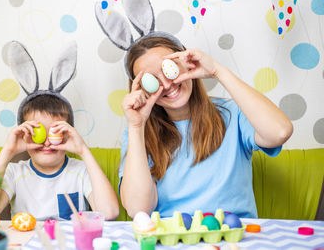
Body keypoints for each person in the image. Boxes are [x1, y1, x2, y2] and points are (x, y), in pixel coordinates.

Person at [119, 36, 293, 218]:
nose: (167, 84)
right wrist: (136, 126)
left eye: (169, 69)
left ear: (187, 64)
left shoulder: (233, 114)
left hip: (233, 238)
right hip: (173, 240)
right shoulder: (138, 133)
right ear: (141, 90)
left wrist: (217, 71)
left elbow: (280, 132)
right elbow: (137, 210)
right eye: (151, 80)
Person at [0, 41, 119, 221]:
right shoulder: (15, 172)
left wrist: (83, 150)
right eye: (38, 132)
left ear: (68, 134)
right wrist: (7, 152)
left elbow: (110, 212)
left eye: (55, 132)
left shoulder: (80, 171)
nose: (46, 142)